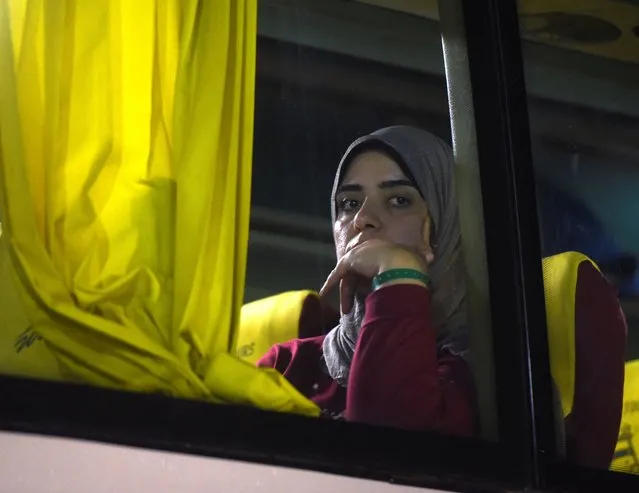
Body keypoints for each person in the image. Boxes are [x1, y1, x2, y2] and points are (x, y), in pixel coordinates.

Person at [257, 126, 477, 435]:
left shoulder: (490, 378)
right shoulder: (288, 367)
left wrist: (398, 271)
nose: (363, 219)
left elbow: (387, 455)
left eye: (399, 200)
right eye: (349, 203)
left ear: (447, 223)